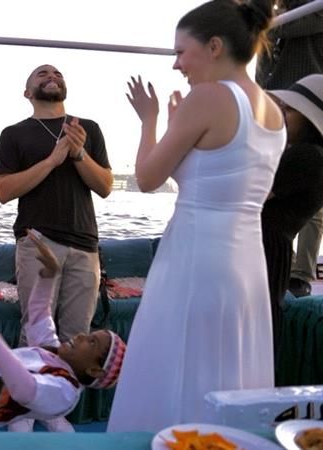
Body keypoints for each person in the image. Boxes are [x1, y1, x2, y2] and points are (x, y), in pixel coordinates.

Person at [108, 0, 285, 432]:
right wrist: (178, 126)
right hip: (246, 265)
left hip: (196, 257)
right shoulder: (274, 110)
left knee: (178, 361)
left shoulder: (207, 97)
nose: (176, 64)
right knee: (229, 361)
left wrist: (150, 121)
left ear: (214, 47)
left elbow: (147, 178)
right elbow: (220, 179)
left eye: (181, 51)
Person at [0, 230, 126, 433]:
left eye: (91, 342)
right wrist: (48, 275)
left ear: (94, 370)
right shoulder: (52, 353)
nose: (82, 336)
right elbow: (39, 314)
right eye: (89, 336)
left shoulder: (64, 393)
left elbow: (24, 389)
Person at [0, 64, 112, 346]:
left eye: (58, 74)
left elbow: (105, 186)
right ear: (27, 92)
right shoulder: (13, 134)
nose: (52, 76)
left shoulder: (88, 129)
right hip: (38, 242)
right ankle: (30, 378)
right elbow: (3, 191)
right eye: (42, 74)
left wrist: (79, 153)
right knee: (36, 334)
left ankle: (67, 379)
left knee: (79, 341)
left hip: (85, 245)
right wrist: (51, 161)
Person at [256, 0, 323, 299]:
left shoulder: (313, 9)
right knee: (274, 170)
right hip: (280, 94)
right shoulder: (280, 14)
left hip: (310, 93)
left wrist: (267, 19)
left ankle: (301, 273)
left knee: (305, 190)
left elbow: (277, 28)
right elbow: (265, 51)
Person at [261, 74, 323, 354]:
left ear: (310, 118)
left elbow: (252, 192)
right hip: (272, 249)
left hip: (264, 249)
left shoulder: (307, 157)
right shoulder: (310, 155)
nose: (283, 116)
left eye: (289, 111)